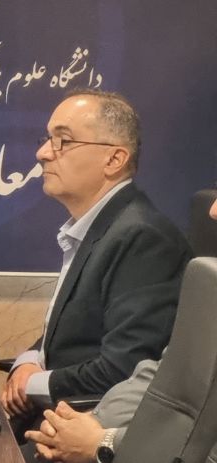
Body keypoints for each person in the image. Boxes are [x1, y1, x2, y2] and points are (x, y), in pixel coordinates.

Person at [3, 90, 190, 428]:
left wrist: (32, 384)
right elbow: (71, 335)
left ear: (114, 159)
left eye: (63, 140)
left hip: (85, 430)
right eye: (47, 139)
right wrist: (28, 360)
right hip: (49, 420)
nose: (42, 153)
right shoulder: (104, 226)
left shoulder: (143, 237)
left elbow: (124, 368)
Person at [24, 194, 217, 462]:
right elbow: (163, 376)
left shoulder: (144, 235)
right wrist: (87, 424)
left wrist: (103, 442)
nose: (213, 210)